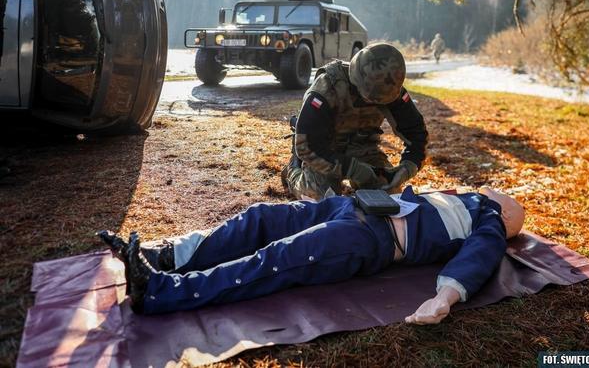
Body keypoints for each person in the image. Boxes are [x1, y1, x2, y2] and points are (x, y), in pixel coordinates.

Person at [98, 186, 525, 324]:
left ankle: (159, 290)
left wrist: (444, 298)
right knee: (261, 218)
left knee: (280, 256)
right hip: (349, 206)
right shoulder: (460, 197)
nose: (487, 190)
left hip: (368, 239)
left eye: (495, 195)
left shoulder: (487, 219)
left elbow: (478, 259)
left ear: (505, 216)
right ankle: (170, 255)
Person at [282, 43, 428, 201]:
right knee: (321, 200)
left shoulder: (389, 90)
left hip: (364, 149)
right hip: (326, 151)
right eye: (368, 98)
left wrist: (407, 168)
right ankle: (292, 171)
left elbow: (417, 134)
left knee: (390, 196)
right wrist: (353, 169)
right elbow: (306, 145)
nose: (372, 103)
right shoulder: (328, 87)